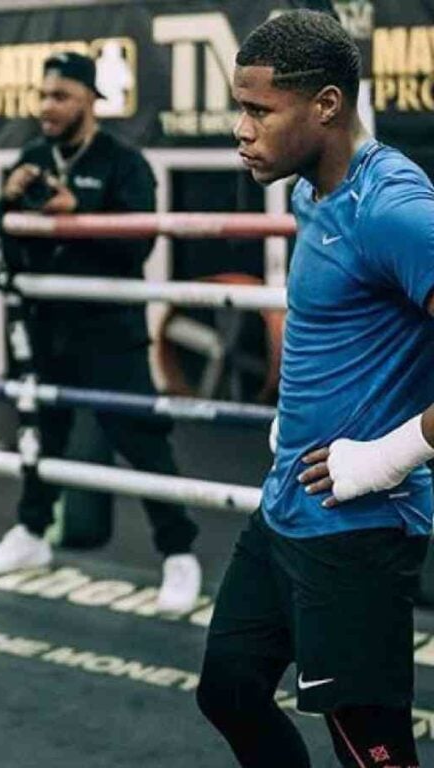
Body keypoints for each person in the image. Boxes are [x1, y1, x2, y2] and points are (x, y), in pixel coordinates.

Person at [197, 11, 433, 768]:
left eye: (259, 110)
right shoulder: (309, 191)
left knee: (369, 749)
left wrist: (392, 455)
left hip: (358, 526)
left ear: (325, 105)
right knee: (229, 688)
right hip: (289, 503)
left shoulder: (392, 208)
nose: (242, 129)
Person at [0, 51, 201, 613]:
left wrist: (78, 215)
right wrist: (3, 205)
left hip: (108, 332)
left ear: (89, 102)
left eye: (60, 97)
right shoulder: (29, 159)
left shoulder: (124, 164)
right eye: (43, 95)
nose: (47, 107)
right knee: (41, 437)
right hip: (46, 328)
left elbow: (139, 246)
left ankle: (179, 555)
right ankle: (30, 536)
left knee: (140, 439)